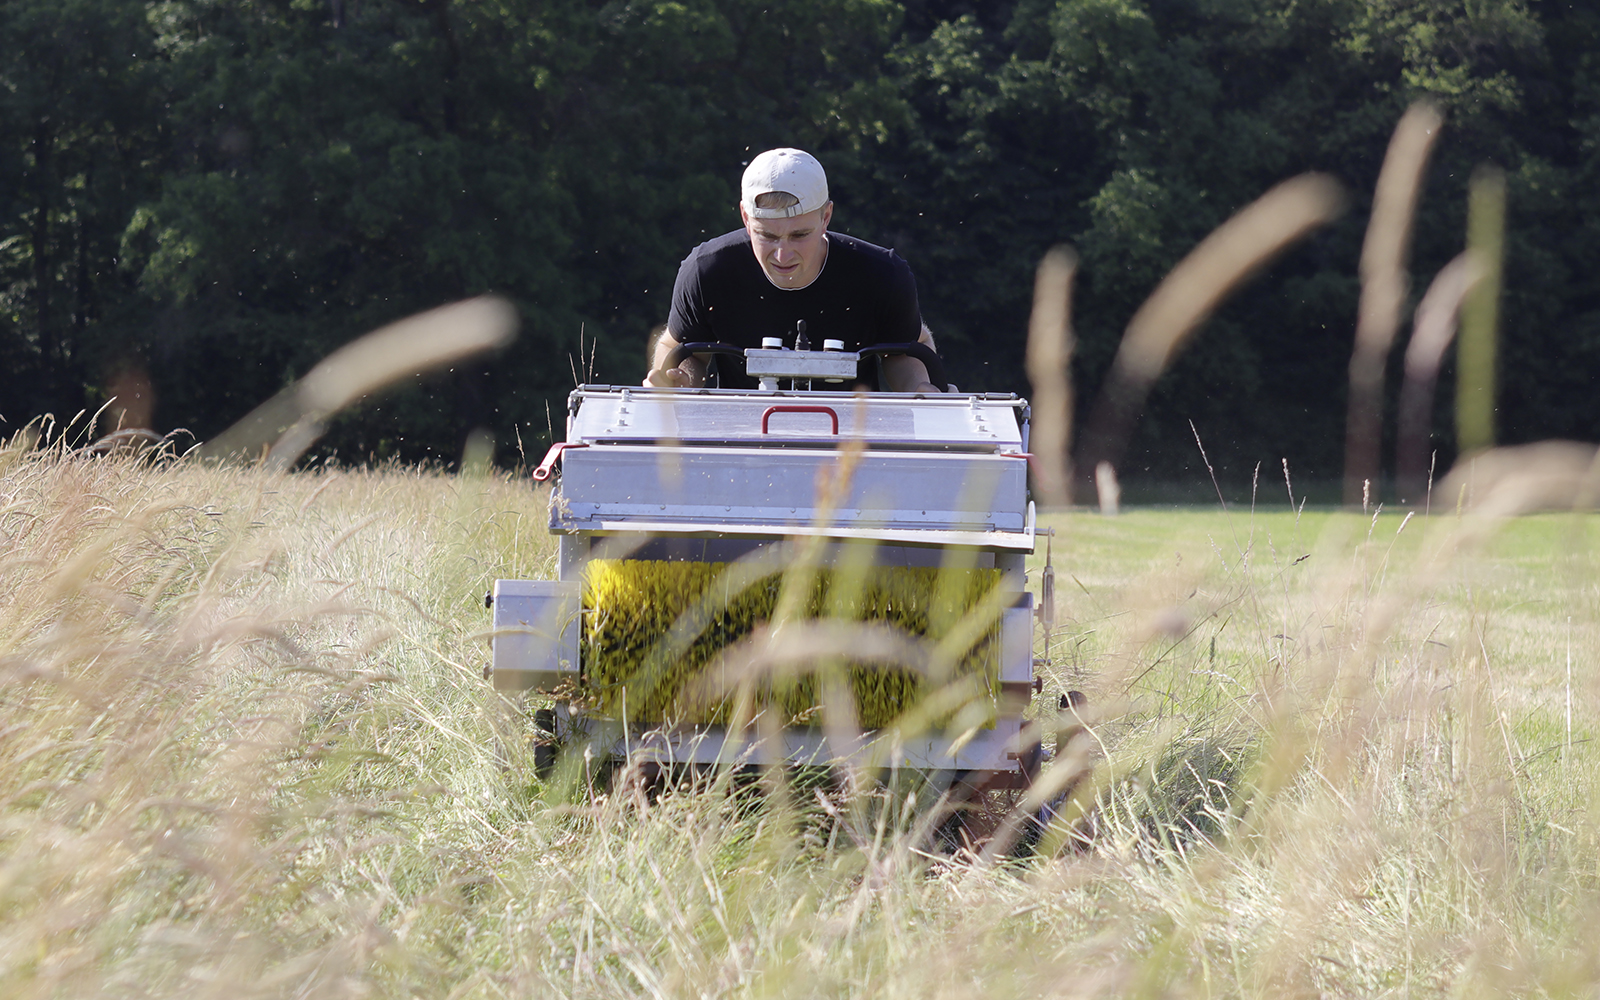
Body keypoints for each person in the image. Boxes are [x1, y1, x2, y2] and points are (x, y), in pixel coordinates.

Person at [645, 148, 942, 392]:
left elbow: (907, 350)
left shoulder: (882, 274)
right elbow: (681, 347)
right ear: (746, 218)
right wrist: (678, 380)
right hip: (738, 436)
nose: (782, 254)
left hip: (853, 439)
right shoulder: (707, 271)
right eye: (767, 235)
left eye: (799, 235)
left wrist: (920, 388)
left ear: (826, 217)